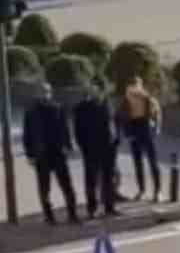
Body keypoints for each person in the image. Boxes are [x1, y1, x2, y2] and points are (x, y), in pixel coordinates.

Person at [22, 82, 79, 225]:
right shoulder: (31, 112)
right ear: (37, 93)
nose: (45, 94)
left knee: (66, 185)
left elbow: (65, 129)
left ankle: (72, 214)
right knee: (44, 187)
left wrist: (69, 146)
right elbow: (27, 135)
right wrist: (29, 155)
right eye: (42, 91)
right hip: (41, 154)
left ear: (51, 92)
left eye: (47, 91)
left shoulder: (58, 108)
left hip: (58, 152)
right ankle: (49, 216)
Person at [73, 85, 119, 220]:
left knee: (109, 179)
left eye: (99, 91)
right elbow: (78, 130)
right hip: (91, 149)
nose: (97, 94)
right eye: (94, 92)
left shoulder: (107, 104)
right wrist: (83, 146)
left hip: (109, 148)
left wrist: (116, 139)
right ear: (89, 93)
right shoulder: (82, 108)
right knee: (91, 180)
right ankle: (92, 209)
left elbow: (115, 122)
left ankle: (110, 207)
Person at [118, 75, 161, 200]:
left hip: (145, 127)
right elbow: (121, 116)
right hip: (134, 128)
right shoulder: (126, 100)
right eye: (132, 85)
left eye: (136, 85)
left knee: (153, 161)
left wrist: (157, 128)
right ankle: (142, 190)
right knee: (138, 163)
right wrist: (126, 133)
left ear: (140, 86)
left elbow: (157, 113)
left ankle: (157, 191)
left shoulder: (148, 98)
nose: (134, 88)